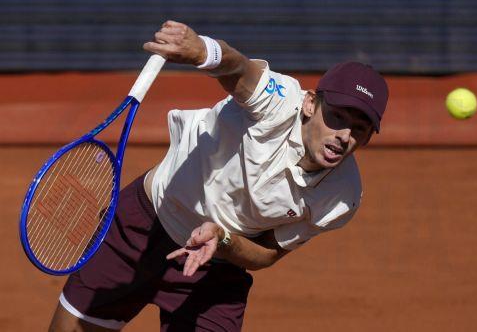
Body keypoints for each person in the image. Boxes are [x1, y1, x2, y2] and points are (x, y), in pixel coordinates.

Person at [49, 20, 389, 332]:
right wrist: (203, 51)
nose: (344, 135)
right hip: (144, 225)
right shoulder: (280, 100)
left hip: (215, 266)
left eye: (359, 128)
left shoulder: (342, 197)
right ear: (311, 104)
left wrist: (223, 240)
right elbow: (240, 69)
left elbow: (268, 253)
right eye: (337, 117)